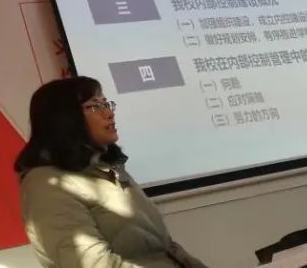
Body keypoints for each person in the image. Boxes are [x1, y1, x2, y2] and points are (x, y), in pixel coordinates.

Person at [15, 76, 209, 268]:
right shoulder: (46, 185)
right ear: (64, 118)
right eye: (94, 106)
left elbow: (164, 249)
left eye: (106, 104)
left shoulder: (107, 168)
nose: (109, 113)